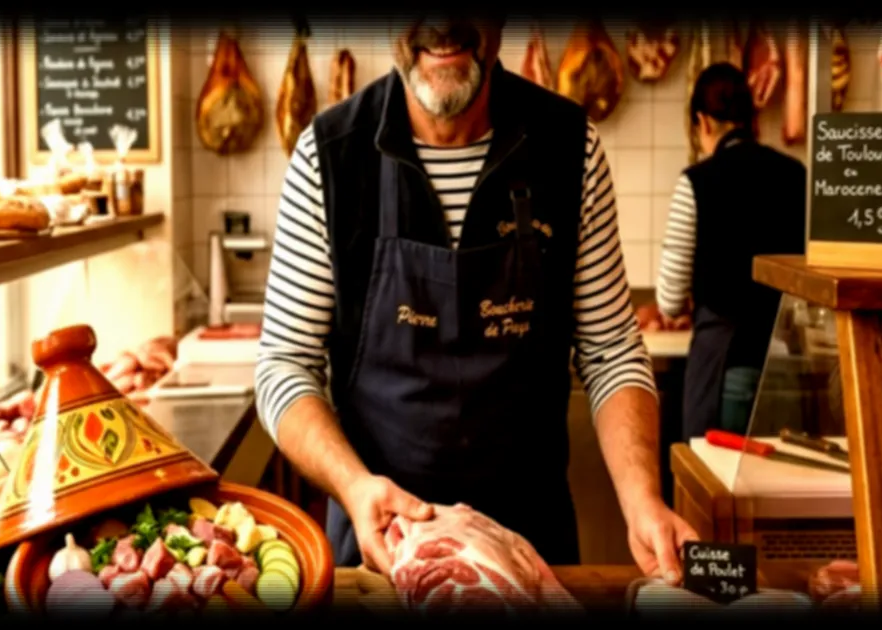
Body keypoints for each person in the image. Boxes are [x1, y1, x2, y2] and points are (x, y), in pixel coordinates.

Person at [255, 15, 697, 582]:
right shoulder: (328, 156)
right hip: (383, 551)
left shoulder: (570, 147)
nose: (443, 26)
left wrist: (641, 501)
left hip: (533, 556)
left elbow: (611, 350)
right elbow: (284, 364)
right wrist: (353, 484)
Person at [655, 63, 807, 441]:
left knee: (718, 495)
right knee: (777, 493)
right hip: (784, 368)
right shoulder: (795, 174)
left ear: (703, 123)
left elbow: (669, 299)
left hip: (725, 371)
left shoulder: (697, 181)